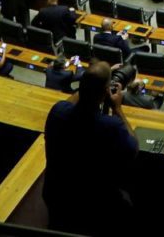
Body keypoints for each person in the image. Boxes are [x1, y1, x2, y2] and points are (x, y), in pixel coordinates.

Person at [44, 65, 134, 231]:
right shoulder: (110, 126)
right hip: (95, 206)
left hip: (56, 194)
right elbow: (133, 147)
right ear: (105, 92)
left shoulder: (58, 111)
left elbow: (68, 101)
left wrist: (91, 85)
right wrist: (117, 108)